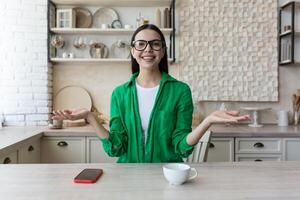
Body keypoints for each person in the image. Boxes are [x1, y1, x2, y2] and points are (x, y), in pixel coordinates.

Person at [52, 24, 250, 163]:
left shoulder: (180, 91)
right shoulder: (119, 94)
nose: (147, 49)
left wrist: (207, 122)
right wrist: (90, 117)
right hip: (129, 176)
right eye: (141, 44)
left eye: (155, 44)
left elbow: (181, 146)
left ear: (162, 51)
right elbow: (116, 148)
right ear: (132, 51)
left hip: (167, 173)